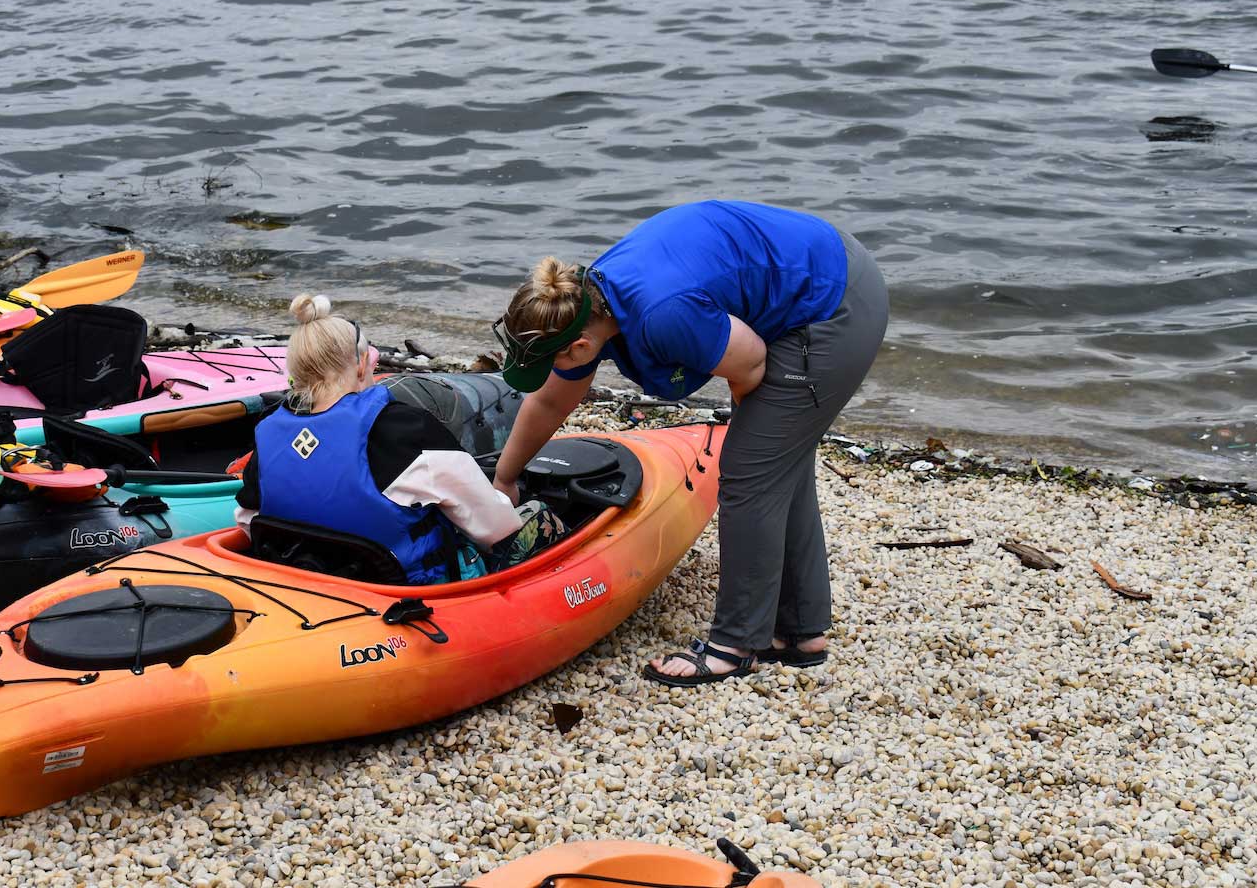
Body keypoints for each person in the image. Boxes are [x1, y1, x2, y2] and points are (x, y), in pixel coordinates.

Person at [489, 199, 888, 686]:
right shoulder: (591, 303)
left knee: (749, 474)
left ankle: (735, 645)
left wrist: (754, 434)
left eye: (547, 363)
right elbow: (551, 404)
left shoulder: (661, 315)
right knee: (778, 462)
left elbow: (752, 364)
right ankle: (801, 633)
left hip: (833, 304)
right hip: (823, 269)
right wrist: (505, 478)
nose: (548, 374)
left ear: (579, 348)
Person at [236, 293, 565, 583]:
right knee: (538, 516)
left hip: (310, 576)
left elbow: (249, 522)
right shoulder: (404, 428)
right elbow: (496, 528)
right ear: (363, 364)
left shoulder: (268, 431)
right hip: (407, 591)